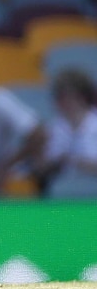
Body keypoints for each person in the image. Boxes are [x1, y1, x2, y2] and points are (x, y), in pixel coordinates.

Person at [31, 68, 97, 196]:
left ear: (81, 97)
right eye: (58, 97)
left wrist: (73, 161)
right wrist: (52, 164)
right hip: (61, 191)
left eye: (66, 96)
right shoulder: (51, 129)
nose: (61, 102)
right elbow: (39, 170)